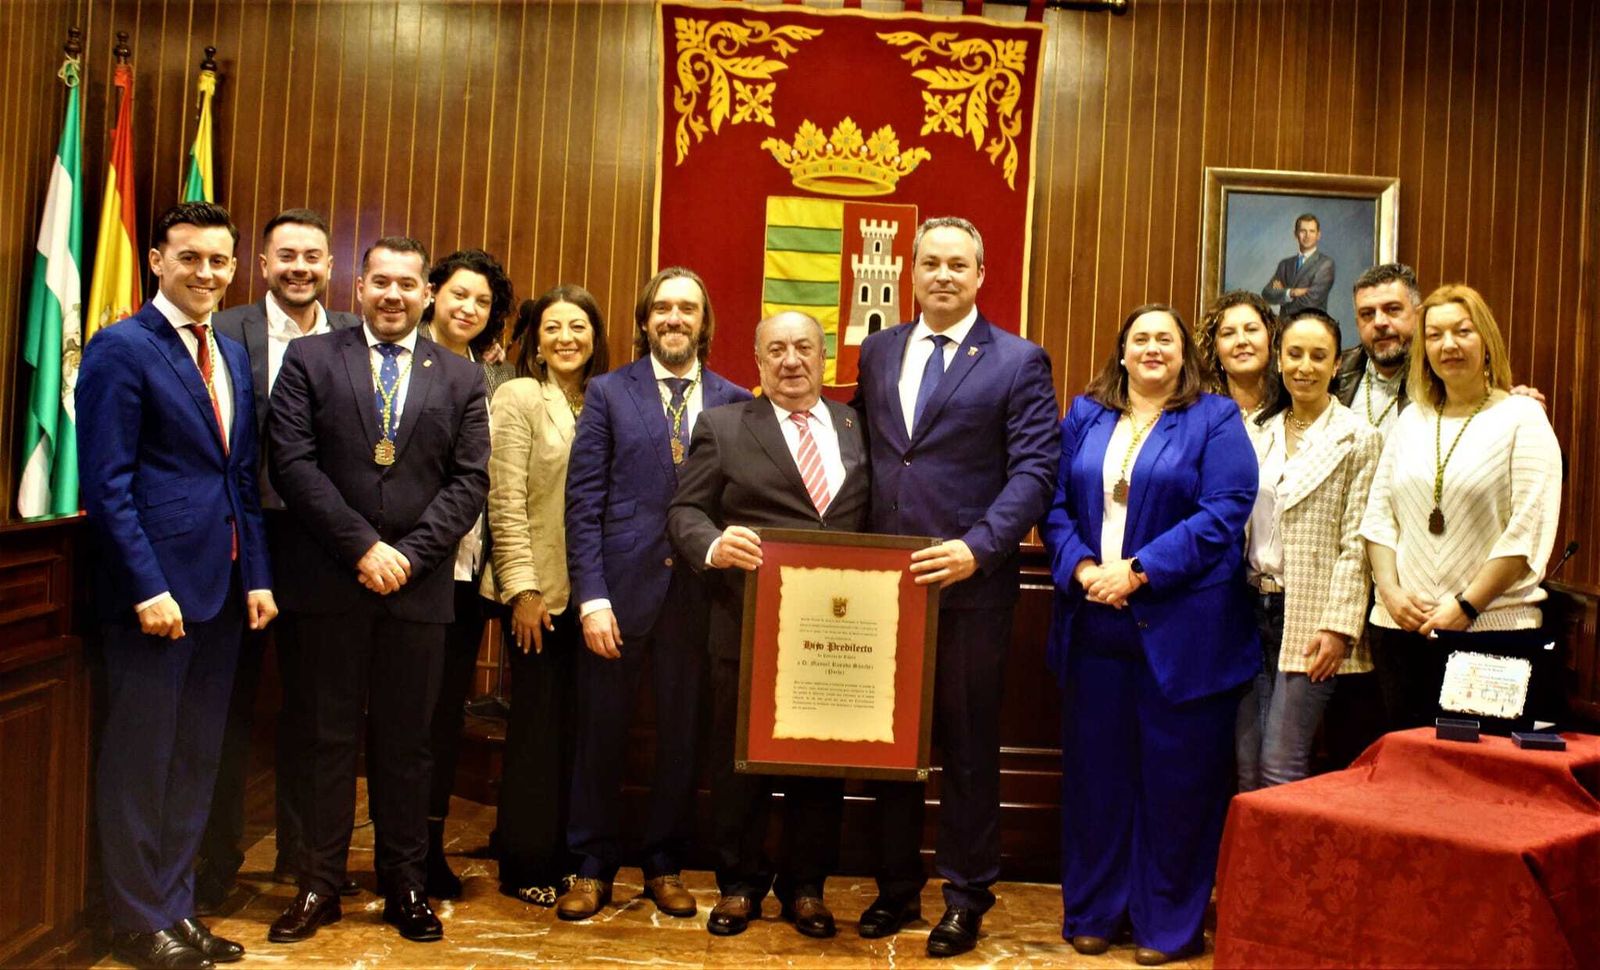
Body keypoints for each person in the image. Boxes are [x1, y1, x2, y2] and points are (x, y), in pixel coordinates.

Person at [265, 236, 489, 945]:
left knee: (407, 744)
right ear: (357, 287)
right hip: (331, 582)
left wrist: (409, 555)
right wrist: (363, 548)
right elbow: (292, 463)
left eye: (407, 284)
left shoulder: (458, 377)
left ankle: (405, 883)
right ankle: (318, 885)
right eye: (380, 282)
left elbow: (469, 481)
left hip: (418, 592)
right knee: (325, 739)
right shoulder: (310, 359)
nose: (393, 295)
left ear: (427, 294)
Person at [848, 217, 1058, 958]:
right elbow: (868, 455)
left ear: (980, 275)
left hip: (971, 590)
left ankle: (966, 896)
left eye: (957, 264)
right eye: (930, 262)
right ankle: (895, 889)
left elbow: (1035, 471)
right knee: (890, 748)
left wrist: (978, 549)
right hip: (883, 590)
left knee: (968, 752)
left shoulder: (1019, 361)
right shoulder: (876, 352)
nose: (942, 274)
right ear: (910, 271)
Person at [78, 201, 276, 969]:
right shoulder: (121, 349)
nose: (205, 273)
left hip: (222, 591)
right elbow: (109, 484)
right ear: (157, 260)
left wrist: (256, 575)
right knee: (142, 760)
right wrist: (145, 587)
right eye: (189, 257)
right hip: (155, 599)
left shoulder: (228, 353)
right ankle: (133, 919)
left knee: (196, 759)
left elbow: (239, 478)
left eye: (219, 260)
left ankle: (175, 906)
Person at [1042, 304, 1257, 966]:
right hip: (1094, 624)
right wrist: (1081, 567)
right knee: (1096, 781)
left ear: (1185, 354)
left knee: (1178, 786)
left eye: (1167, 338)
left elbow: (1225, 511)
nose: (1154, 348)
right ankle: (1096, 912)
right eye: (1141, 339)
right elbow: (1050, 503)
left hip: (1182, 632)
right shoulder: (1085, 415)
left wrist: (1138, 572)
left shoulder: (1214, 419)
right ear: (1122, 352)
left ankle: (1167, 926)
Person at [667, 311, 868, 941]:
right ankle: (739, 885)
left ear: (824, 356)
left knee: (819, 763)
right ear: (757, 362)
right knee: (739, 764)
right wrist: (713, 543)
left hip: (838, 633)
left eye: (803, 348)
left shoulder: (857, 425)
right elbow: (684, 510)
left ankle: (806, 887)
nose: (790, 361)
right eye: (775, 350)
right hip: (747, 623)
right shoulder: (724, 427)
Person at [559, 267, 752, 921]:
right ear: (644, 322)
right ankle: (591, 863)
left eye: (687, 309)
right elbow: (583, 503)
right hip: (619, 594)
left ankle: (664, 863)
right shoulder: (610, 394)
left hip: (700, 598)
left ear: (705, 323)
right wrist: (591, 598)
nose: (675, 318)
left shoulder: (735, 400)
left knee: (681, 738)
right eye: (662, 308)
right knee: (602, 734)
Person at [202, 208, 360, 910]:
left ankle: (306, 858)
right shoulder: (223, 330)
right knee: (228, 709)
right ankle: (215, 866)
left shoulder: (353, 341)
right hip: (239, 548)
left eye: (313, 257)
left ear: (332, 268)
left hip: (323, 552)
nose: (300, 267)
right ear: (261, 265)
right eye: (286, 255)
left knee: (316, 713)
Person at [1360, 284, 1562, 729]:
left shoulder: (1522, 418)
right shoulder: (1410, 421)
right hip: (1401, 632)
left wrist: (1466, 607)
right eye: (1434, 335)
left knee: (1478, 784)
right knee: (1408, 779)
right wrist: (1390, 593)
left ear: (1486, 340)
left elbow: (1527, 530)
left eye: (1462, 331)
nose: (1448, 345)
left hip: (1493, 632)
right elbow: (1378, 519)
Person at [486, 287, 608, 905]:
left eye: (579, 326)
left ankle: (566, 852)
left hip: (596, 596)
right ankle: (525, 861)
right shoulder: (518, 396)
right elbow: (505, 498)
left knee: (577, 730)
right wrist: (521, 589)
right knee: (537, 729)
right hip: (541, 595)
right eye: (554, 326)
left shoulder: (605, 399)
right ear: (535, 337)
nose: (566, 337)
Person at [1234, 309, 1381, 790]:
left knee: (1282, 763)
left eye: (1319, 356)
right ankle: (1250, 868)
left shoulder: (1359, 437)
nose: (1305, 366)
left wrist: (1339, 627)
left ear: (1337, 365)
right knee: (1247, 764)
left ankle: (1283, 868)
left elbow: (1358, 541)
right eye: (1294, 354)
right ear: (1278, 360)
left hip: (1312, 616)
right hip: (1250, 608)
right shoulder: (1258, 430)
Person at [414, 248, 515, 899]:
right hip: (403, 567)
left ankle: (426, 849)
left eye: (481, 302)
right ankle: (388, 848)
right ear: (432, 295)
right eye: (459, 295)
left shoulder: (497, 381)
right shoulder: (396, 362)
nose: (468, 309)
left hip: (466, 573)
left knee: (444, 716)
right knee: (403, 716)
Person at [1196, 290, 1280, 432]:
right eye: (1228, 333)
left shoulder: (1292, 411)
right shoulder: (1199, 412)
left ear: (1270, 336)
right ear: (1214, 347)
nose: (1241, 341)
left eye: (1252, 329)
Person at [1262, 213, 1334, 315]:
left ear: (1318, 235)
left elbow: (1311, 301)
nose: (1307, 235)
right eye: (1303, 231)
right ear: (1296, 234)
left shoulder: (1325, 264)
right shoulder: (1285, 265)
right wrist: (1291, 292)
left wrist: (1283, 293)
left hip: (1311, 325)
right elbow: (1267, 293)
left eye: (1312, 231)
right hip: (1284, 328)